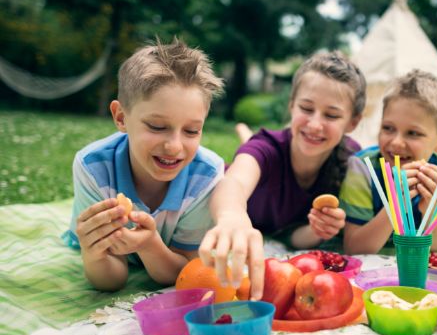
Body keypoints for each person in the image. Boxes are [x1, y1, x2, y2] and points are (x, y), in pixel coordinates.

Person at [199, 51, 367, 300]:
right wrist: (232, 217)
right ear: (291, 105)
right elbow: (232, 183)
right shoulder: (265, 147)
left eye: (331, 115)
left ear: (352, 122)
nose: (314, 124)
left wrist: (318, 229)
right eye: (306, 108)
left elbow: (292, 235)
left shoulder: (351, 160)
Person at [62, 38, 225, 291]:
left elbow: (184, 271)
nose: (174, 146)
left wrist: (150, 245)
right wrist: (93, 253)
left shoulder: (206, 176)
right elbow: (111, 280)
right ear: (120, 117)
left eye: (192, 131)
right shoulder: (93, 167)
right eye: (157, 127)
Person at [339, 69, 437, 254]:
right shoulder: (363, 168)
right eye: (388, 128)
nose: (395, 142)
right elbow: (353, 248)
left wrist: (432, 209)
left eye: (413, 133)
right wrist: (394, 206)